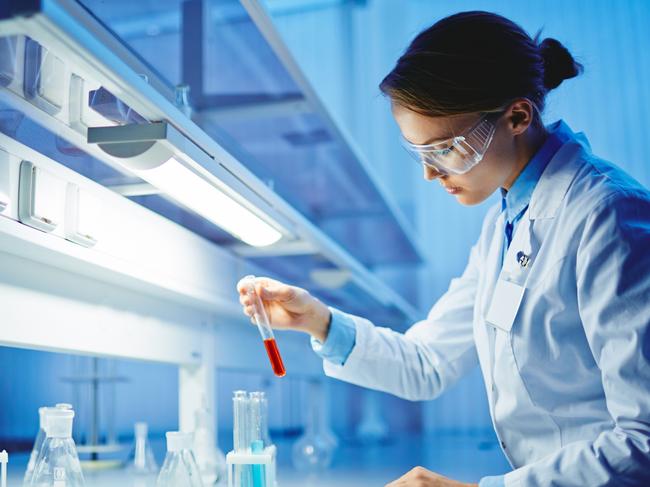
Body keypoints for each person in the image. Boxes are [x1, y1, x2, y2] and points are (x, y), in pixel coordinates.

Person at [237, 11, 650, 487]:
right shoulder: (505, 224)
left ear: (518, 116)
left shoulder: (608, 214)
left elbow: (642, 441)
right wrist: (318, 321)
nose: (430, 174)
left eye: (446, 149)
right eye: (420, 154)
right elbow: (428, 363)